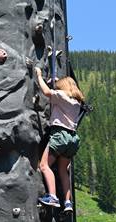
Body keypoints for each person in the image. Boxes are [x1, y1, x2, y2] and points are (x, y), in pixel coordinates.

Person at [35, 67, 85, 213]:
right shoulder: (77, 102)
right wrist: (58, 83)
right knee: (63, 169)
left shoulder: (62, 96)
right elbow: (62, 91)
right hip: (73, 138)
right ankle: (68, 202)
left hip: (60, 134)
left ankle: (52, 197)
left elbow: (47, 92)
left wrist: (39, 76)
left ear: (63, 87)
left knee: (44, 165)